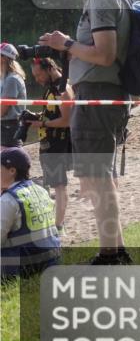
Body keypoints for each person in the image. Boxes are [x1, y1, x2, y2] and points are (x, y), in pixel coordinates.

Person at [35, 0, 134, 264]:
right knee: (99, 175)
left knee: (96, 175)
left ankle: (111, 254)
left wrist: (66, 45)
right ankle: (115, 250)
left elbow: (104, 55)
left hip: (98, 94)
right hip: (104, 94)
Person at [27, 58, 73, 231]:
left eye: (39, 75)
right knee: (55, 184)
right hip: (50, 142)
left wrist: (43, 124)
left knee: (59, 186)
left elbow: (67, 120)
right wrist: (38, 117)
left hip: (57, 144)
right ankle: (56, 222)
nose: (37, 79)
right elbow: (54, 114)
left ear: (49, 68)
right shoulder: (53, 87)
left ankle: (58, 225)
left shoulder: (61, 87)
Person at [2, 146, 61, 280]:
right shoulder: (40, 189)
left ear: (12, 171)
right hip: (51, 260)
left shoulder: (9, 199)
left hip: (24, 266)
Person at [0, 43, 27, 148]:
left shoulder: (12, 79)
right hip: (7, 126)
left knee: (9, 161)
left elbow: (2, 110)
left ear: (4, 58)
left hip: (10, 127)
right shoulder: (5, 78)